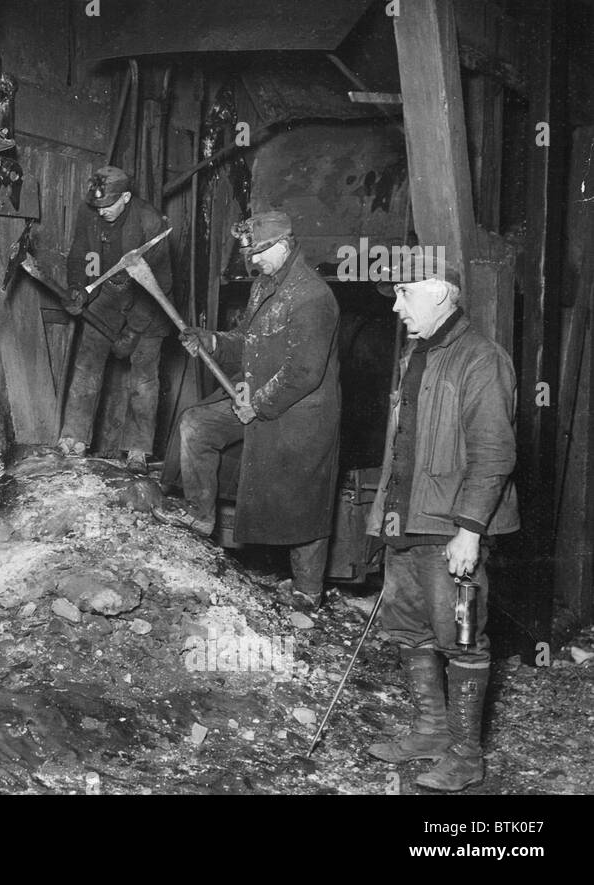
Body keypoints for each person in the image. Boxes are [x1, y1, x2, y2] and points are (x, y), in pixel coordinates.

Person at [365, 258, 519, 792]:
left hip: (451, 528)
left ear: (441, 295)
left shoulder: (482, 360)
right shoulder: (417, 353)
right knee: (409, 631)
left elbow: (495, 452)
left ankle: (465, 756)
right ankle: (432, 731)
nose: (395, 305)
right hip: (406, 521)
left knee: (463, 637)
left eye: (404, 294)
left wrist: (470, 530)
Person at [166, 210, 341, 606]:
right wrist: (211, 341)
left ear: (283, 245)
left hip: (300, 414)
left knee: (304, 500)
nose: (253, 261)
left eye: (259, 252)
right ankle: (199, 515)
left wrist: (257, 406)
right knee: (197, 424)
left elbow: (303, 372)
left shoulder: (312, 296)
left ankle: (307, 591)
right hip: (256, 400)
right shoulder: (264, 287)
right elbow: (246, 340)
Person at [57, 166, 174, 472]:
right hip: (107, 296)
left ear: (125, 197)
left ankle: (137, 450)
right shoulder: (91, 212)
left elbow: (161, 285)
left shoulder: (151, 223)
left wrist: (133, 331)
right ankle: (74, 439)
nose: (101, 212)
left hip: (149, 304)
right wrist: (76, 289)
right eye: (96, 206)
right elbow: (79, 253)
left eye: (107, 206)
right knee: (86, 368)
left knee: (144, 380)